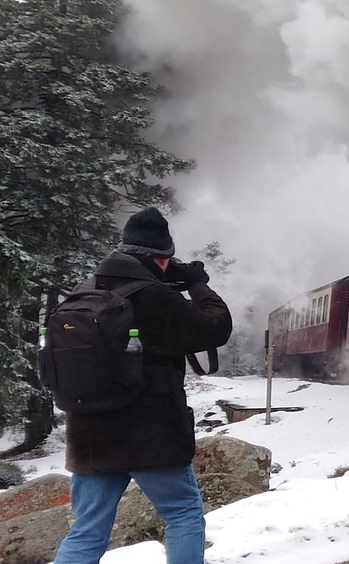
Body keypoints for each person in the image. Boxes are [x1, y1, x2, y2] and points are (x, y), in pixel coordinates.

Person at [54, 207, 233, 564]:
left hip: (89, 435)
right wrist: (197, 283)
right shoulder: (155, 297)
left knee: (87, 529)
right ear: (163, 259)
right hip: (151, 435)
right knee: (182, 515)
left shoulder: (84, 291)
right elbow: (216, 326)